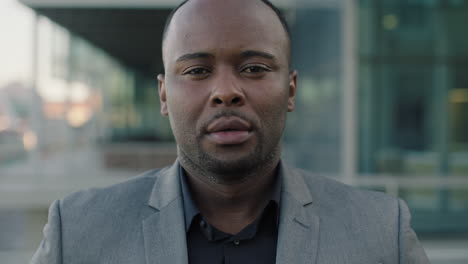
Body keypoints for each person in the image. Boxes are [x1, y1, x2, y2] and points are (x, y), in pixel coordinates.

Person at [31, 0, 430, 263]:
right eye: (197, 71)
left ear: (290, 89)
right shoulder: (79, 231)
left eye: (254, 68)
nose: (225, 92)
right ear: (164, 93)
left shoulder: (381, 230)